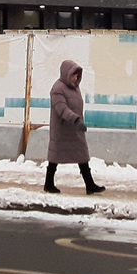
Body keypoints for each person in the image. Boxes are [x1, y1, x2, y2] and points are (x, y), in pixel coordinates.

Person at [43, 58, 105, 195]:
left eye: (77, 75)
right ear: (66, 73)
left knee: (82, 156)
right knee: (55, 157)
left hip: (75, 129)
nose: (75, 78)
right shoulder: (57, 89)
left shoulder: (75, 88)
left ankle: (90, 185)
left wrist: (78, 122)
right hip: (62, 130)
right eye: (73, 75)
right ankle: (48, 184)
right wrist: (76, 120)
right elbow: (62, 109)